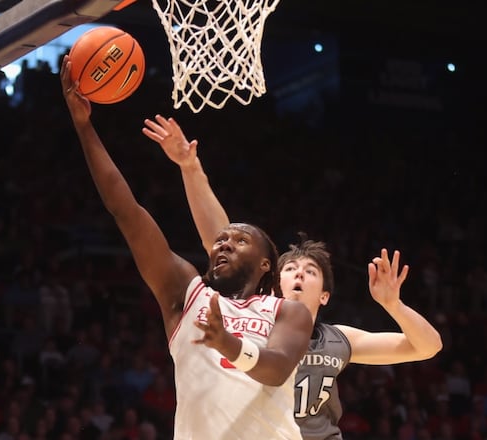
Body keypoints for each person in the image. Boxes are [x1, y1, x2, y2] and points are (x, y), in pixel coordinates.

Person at [143, 114, 444, 439]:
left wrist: (394, 305)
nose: (299, 272)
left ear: (325, 295)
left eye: (310, 271)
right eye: (290, 268)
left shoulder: (338, 338)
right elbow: (218, 236)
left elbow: (428, 347)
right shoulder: (254, 316)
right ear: (273, 281)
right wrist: (191, 169)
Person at [60, 57, 313, 440]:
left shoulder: (287, 312)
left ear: (267, 265)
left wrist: (227, 343)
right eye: (222, 240)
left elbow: (277, 369)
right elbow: (126, 212)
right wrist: (83, 127)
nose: (225, 242)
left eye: (240, 240)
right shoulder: (185, 294)